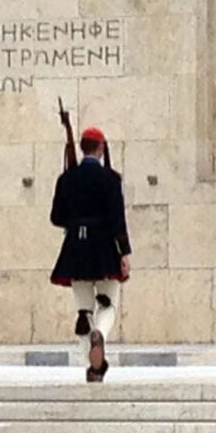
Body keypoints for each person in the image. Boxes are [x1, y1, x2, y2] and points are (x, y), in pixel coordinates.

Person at [49, 127, 131, 383]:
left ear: (82, 148)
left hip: (76, 246)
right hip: (105, 246)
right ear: (101, 148)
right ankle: (101, 335)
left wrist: (76, 221)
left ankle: (94, 367)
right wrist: (124, 252)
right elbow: (118, 219)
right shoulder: (110, 179)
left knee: (84, 311)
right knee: (108, 303)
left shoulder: (66, 178)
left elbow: (56, 217)